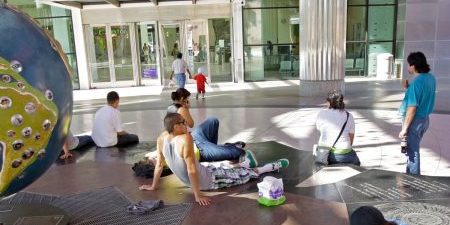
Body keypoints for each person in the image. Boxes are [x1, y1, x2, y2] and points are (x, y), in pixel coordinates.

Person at [139, 113, 289, 206]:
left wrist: (153, 187)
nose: (187, 125)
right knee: (245, 176)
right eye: (183, 123)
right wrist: (198, 196)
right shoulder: (185, 139)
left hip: (203, 170)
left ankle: (244, 163)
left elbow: (159, 165)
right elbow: (191, 169)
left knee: (224, 169)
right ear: (176, 126)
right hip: (208, 180)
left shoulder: (162, 138)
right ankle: (267, 168)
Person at [166, 88, 243, 162]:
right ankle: (220, 149)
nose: (188, 101)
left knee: (213, 121)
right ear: (183, 99)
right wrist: (187, 108)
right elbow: (191, 124)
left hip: (192, 137)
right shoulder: (182, 109)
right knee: (237, 152)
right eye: (187, 99)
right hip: (193, 144)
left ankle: (214, 148)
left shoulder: (169, 107)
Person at [399, 52, 436, 175]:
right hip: (424, 119)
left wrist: (404, 129)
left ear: (414, 66)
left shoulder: (417, 83)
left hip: (414, 121)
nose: (408, 67)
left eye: (409, 65)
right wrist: (408, 88)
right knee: (412, 149)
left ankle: (413, 180)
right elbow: (423, 95)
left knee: (412, 152)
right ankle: (411, 175)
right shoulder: (430, 78)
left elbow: (412, 108)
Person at [315, 91, 359, 166]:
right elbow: (351, 137)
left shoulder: (321, 113)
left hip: (324, 155)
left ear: (329, 102)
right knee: (357, 162)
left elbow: (319, 129)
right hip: (344, 155)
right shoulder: (349, 116)